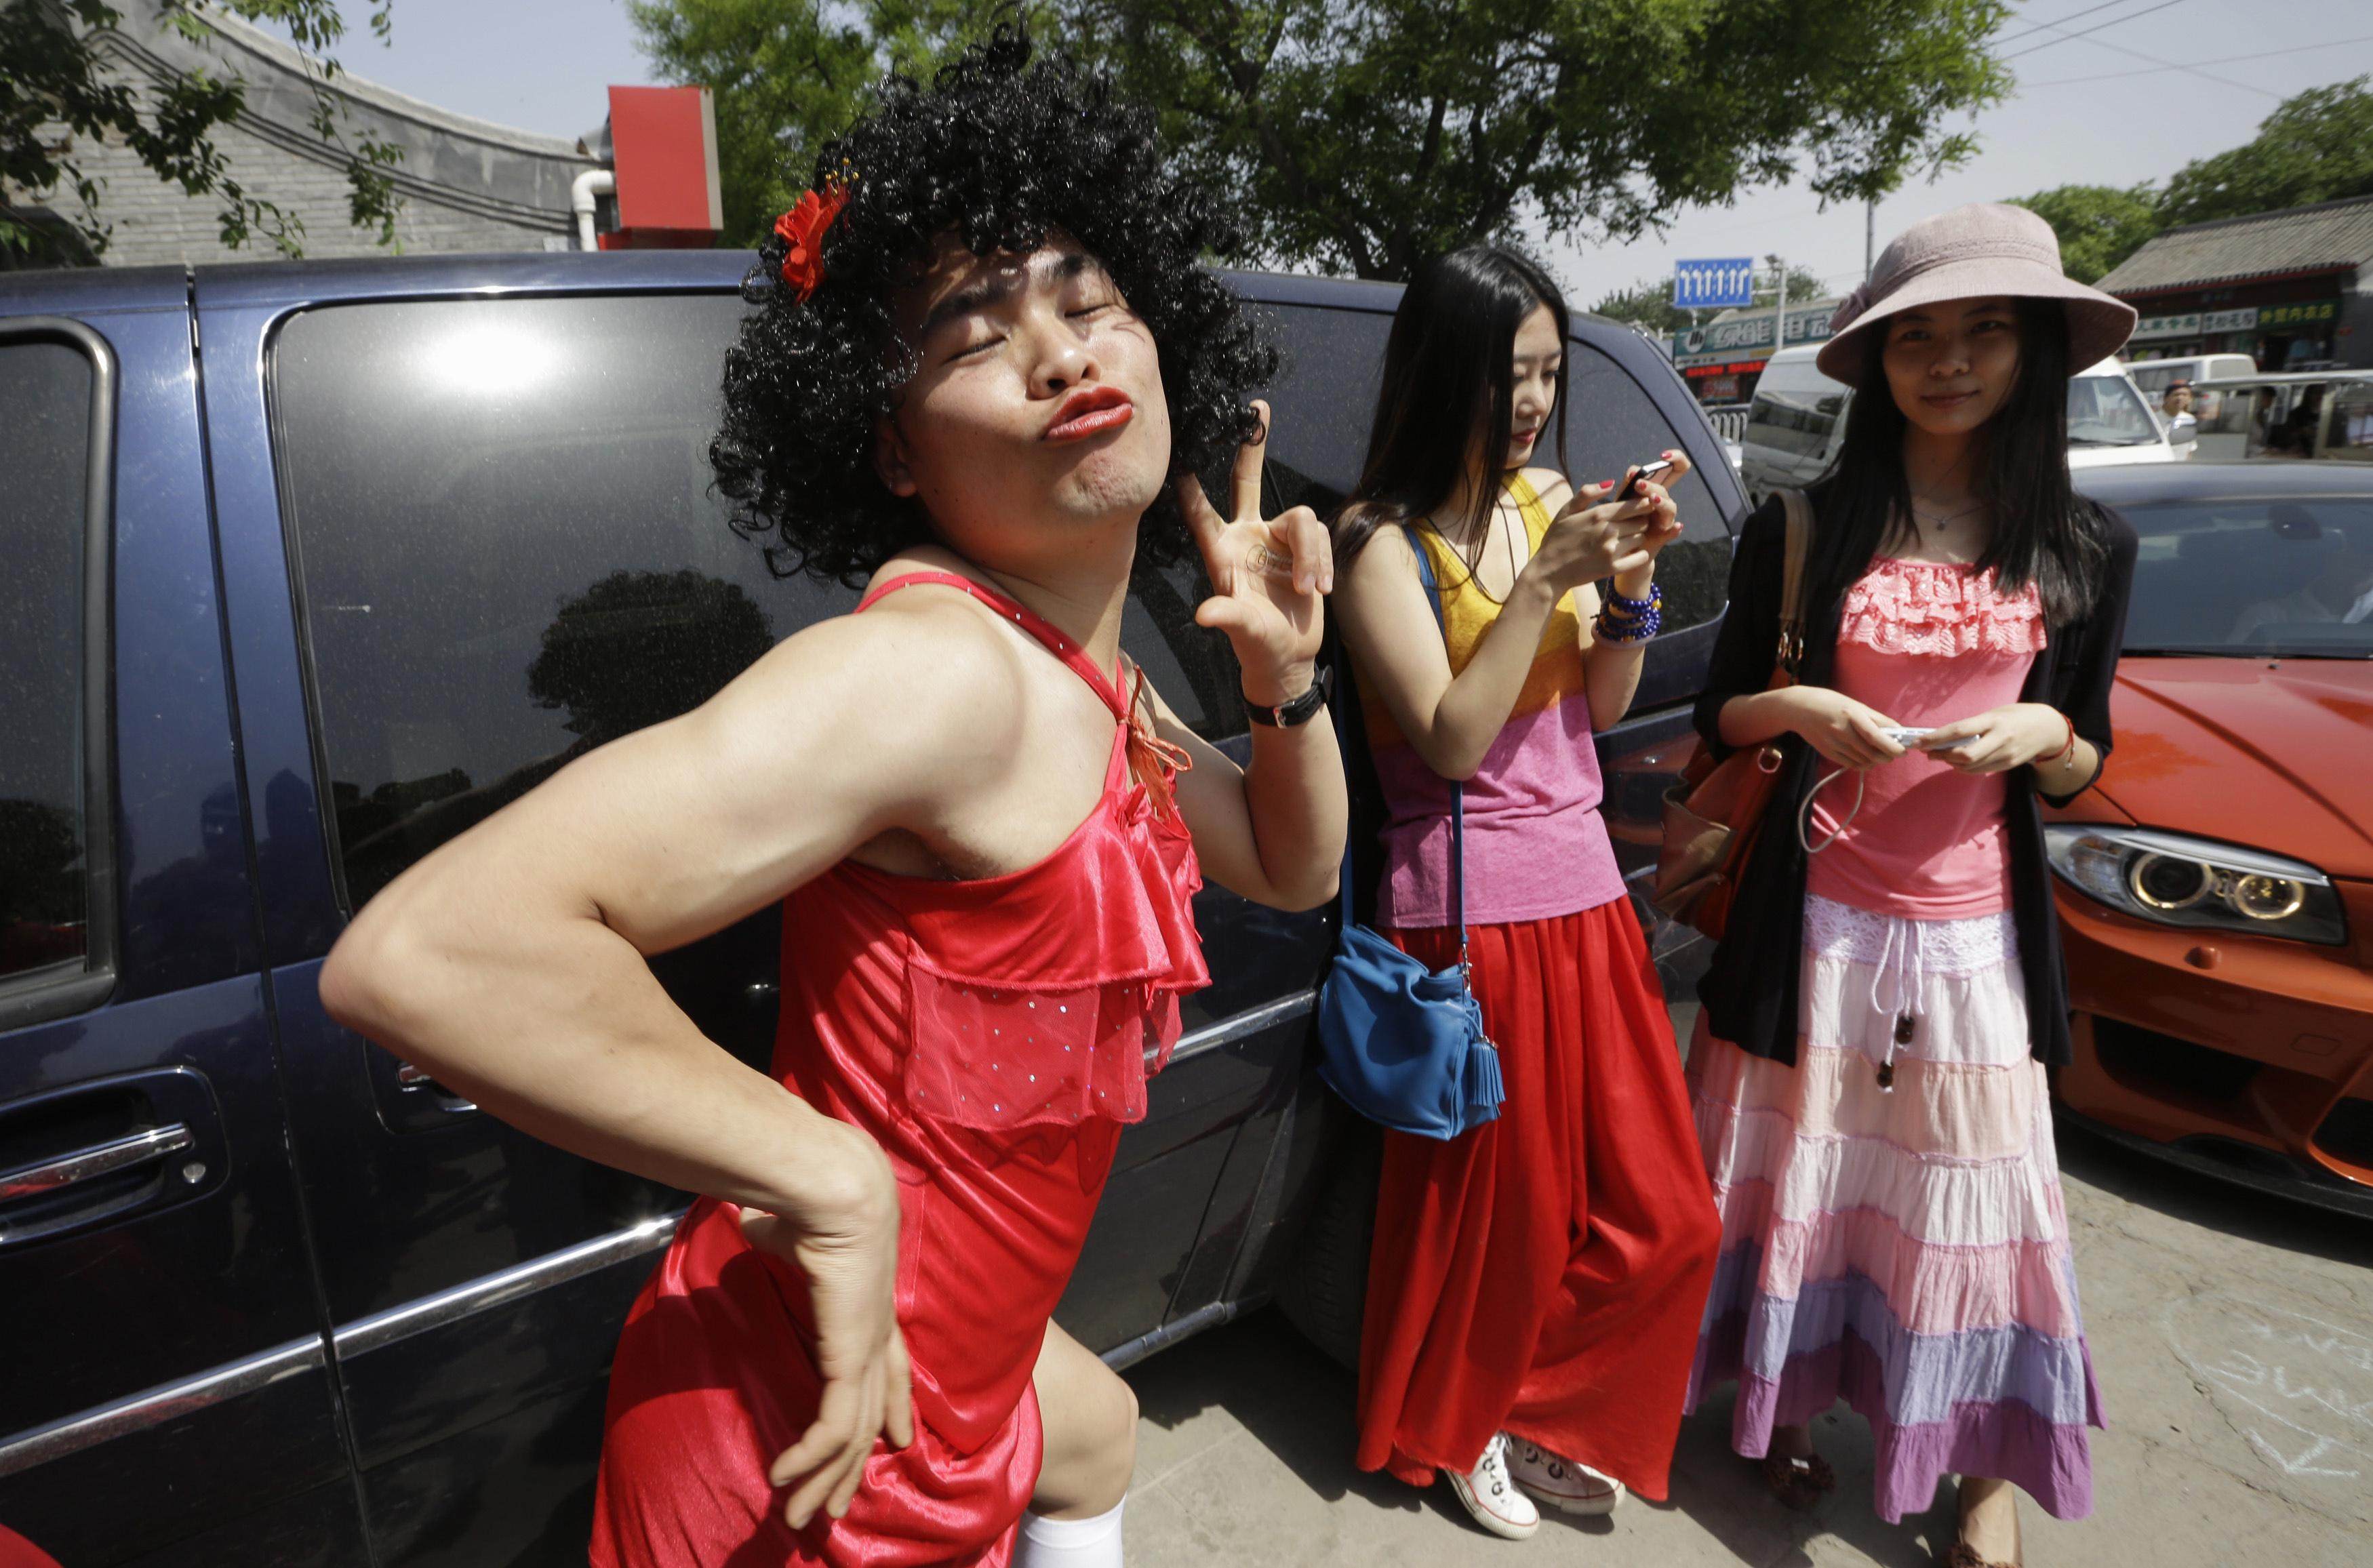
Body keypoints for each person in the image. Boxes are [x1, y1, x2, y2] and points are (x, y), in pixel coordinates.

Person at [318, 33, 1347, 1568]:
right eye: (976, 337)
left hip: (949, 1404)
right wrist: (826, 1171)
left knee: (1102, 1428)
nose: (1061, 354)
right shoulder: (935, 678)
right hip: (797, 1472)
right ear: (890, 445)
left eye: (1088, 303)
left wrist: (1284, 683)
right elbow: (422, 952)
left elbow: (1288, 863)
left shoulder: (1090, 671)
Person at [1683, 203, 2136, 1568]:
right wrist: (1804, 703)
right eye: (1917, 337)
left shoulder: (2085, 545)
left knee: (1977, 1213)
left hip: (1971, 946)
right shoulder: (1806, 525)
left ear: (2035, 347)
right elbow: (1722, 718)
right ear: (1875, 363)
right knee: (1804, 1194)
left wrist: (2047, 736)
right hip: (1812, 934)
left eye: (1982, 330)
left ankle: (1979, 1475)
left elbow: (2084, 760)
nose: (1948, 362)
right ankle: (1787, 1395)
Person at [1328, 244, 1722, 1541]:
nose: (1537, 403)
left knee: (1664, 1214)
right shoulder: (1378, 541)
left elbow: (1599, 708)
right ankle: (1462, 1423)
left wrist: (1627, 590)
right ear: (1448, 374)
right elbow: (1445, 738)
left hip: (1586, 888)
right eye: (1512, 377)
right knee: (1503, 1219)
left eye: (1552, 374)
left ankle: (1538, 1403)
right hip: (1466, 906)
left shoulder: (1545, 495)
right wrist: (1545, 579)